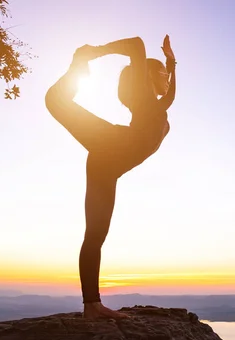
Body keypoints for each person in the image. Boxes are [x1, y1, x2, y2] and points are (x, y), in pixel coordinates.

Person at [44, 35, 176, 319]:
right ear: (147, 77)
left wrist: (171, 63)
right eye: (163, 74)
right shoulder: (143, 97)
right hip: (110, 142)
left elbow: (170, 96)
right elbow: (138, 44)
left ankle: (92, 305)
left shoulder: (157, 105)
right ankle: (78, 66)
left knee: (95, 235)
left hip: (107, 165)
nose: (166, 78)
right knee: (55, 100)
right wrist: (94, 53)